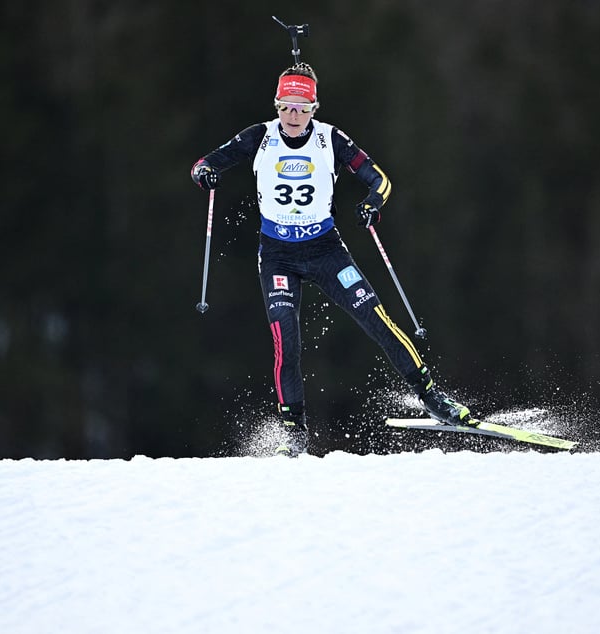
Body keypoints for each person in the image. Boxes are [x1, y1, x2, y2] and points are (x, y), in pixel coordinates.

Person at [191, 62, 471, 456]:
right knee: (286, 340)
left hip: (325, 251)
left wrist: (374, 202)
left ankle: (431, 396)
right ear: (276, 104)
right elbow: (206, 162)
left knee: (376, 319)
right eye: (286, 106)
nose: (293, 116)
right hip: (278, 257)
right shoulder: (259, 137)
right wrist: (205, 173)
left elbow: (379, 178)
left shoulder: (329, 139)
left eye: (301, 108)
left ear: (314, 108)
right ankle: (293, 430)